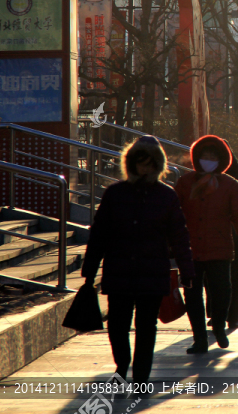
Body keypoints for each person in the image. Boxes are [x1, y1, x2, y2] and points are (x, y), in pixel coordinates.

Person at [81, 136, 195, 383]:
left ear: (158, 165)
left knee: (146, 327)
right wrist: (89, 269)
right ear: (130, 164)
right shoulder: (115, 194)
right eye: (140, 163)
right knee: (117, 325)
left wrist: (187, 270)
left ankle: (141, 376)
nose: (145, 169)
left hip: (152, 271)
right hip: (119, 269)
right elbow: (99, 233)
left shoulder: (167, 196)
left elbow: (179, 235)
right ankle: (122, 366)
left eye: (150, 164)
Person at [175, 135, 238, 354]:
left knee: (223, 291)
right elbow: (174, 214)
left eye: (212, 157)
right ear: (196, 158)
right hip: (191, 249)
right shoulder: (185, 183)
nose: (207, 160)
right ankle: (199, 338)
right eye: (204, 156)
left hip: (220, 246)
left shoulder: (229, 184)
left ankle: (219, 324)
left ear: (221, 160)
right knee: (192, 295)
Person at [205, 140, 238, 331]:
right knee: (210, 277)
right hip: (209, 232)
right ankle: (214, 313)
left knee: (234, 276)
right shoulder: (202, 176)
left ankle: (233, 316)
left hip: (235, 232)